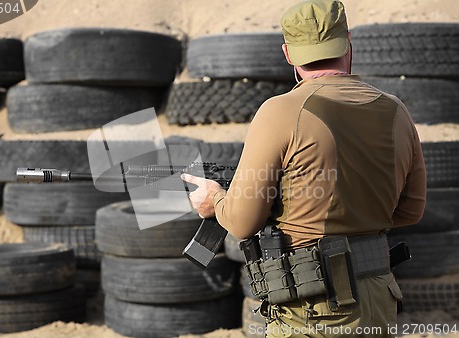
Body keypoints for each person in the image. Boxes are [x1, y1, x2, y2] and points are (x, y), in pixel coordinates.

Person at [181, 0, 427, 337]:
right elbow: (411, 211)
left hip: (316, 305)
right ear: (348, 42)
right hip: (379, 297)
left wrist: (216, 201)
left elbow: (240, 223)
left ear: (287, 53)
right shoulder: (396, 110)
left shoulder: (280, 112)